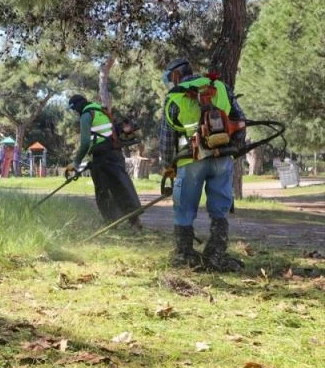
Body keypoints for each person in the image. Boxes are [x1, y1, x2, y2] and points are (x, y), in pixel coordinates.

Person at [158, 58, 246, 271]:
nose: (171, 83)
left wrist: (168, 164)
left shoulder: (175, 96)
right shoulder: (220, 87)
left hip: (191, 161)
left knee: (184, 208)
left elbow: (167, 137)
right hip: (222, 157)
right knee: (220, 209)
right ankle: (215, 255)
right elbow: (240, 120)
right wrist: (233, 150)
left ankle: (185, 254)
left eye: (170, 79)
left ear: (176, 75)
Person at [65, 94, 143, 230]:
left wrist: (76, 163)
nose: (75, 112)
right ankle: (134, 221)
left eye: (74, 110)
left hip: (102, 157)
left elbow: (84, 144)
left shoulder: (86, 115)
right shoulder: (100, 110)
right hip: (116, 154)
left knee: (103, 191)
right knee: (122, 186)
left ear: (77, 107)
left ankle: (111, 223)